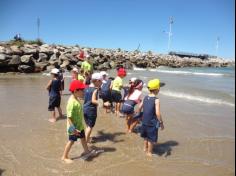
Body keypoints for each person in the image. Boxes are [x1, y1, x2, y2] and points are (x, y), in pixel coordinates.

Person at [61, 80, 92, 163]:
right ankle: (64, 156)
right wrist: (73, 129)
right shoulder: (71, 102)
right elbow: (69, 117)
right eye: (82, 90)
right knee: (71, 141)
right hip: (73, 127)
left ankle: (86, 151)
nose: (83, 91)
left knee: (83, 138)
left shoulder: (76, 98)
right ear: (75, 91)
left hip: (79, 125)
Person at [138, 79, 164, 157]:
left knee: (145, 137)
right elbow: (158, 113)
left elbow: (139, 107)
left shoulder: (145, 97)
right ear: (157, 89)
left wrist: (140, 116)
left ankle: (145, 148)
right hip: (152, 123)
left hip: (144, 122)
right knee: (151, 139)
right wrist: (161, 122)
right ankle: (149, 153)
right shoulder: (156, 100)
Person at [83, 73, 103, 143]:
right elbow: (93, 100)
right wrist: (103, 103)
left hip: (84, 108)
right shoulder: (95, 90)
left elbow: (83, 97)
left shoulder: (87, 88)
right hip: (91, 110)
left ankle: (87, 138)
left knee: (88, 126)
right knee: (90, 126)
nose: (102, 82)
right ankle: (86, 141)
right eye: (101, 81)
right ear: (97, 81)